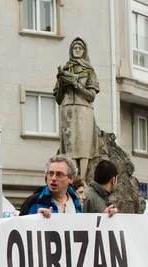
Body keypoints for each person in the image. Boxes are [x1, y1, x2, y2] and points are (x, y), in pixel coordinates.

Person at [54, 37, 100, 176]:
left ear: (84, 50)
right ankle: (73, 178)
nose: (77, 50)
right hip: (68, 109)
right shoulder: (66, 69)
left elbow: (91, 96)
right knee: (70, 147)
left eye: (80, 47)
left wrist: (76, 84)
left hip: (83, 109)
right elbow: (58, 98)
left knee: (83, 146)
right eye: (75, 48)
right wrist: (62, 84)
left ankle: (84, 178)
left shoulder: (89, 71)